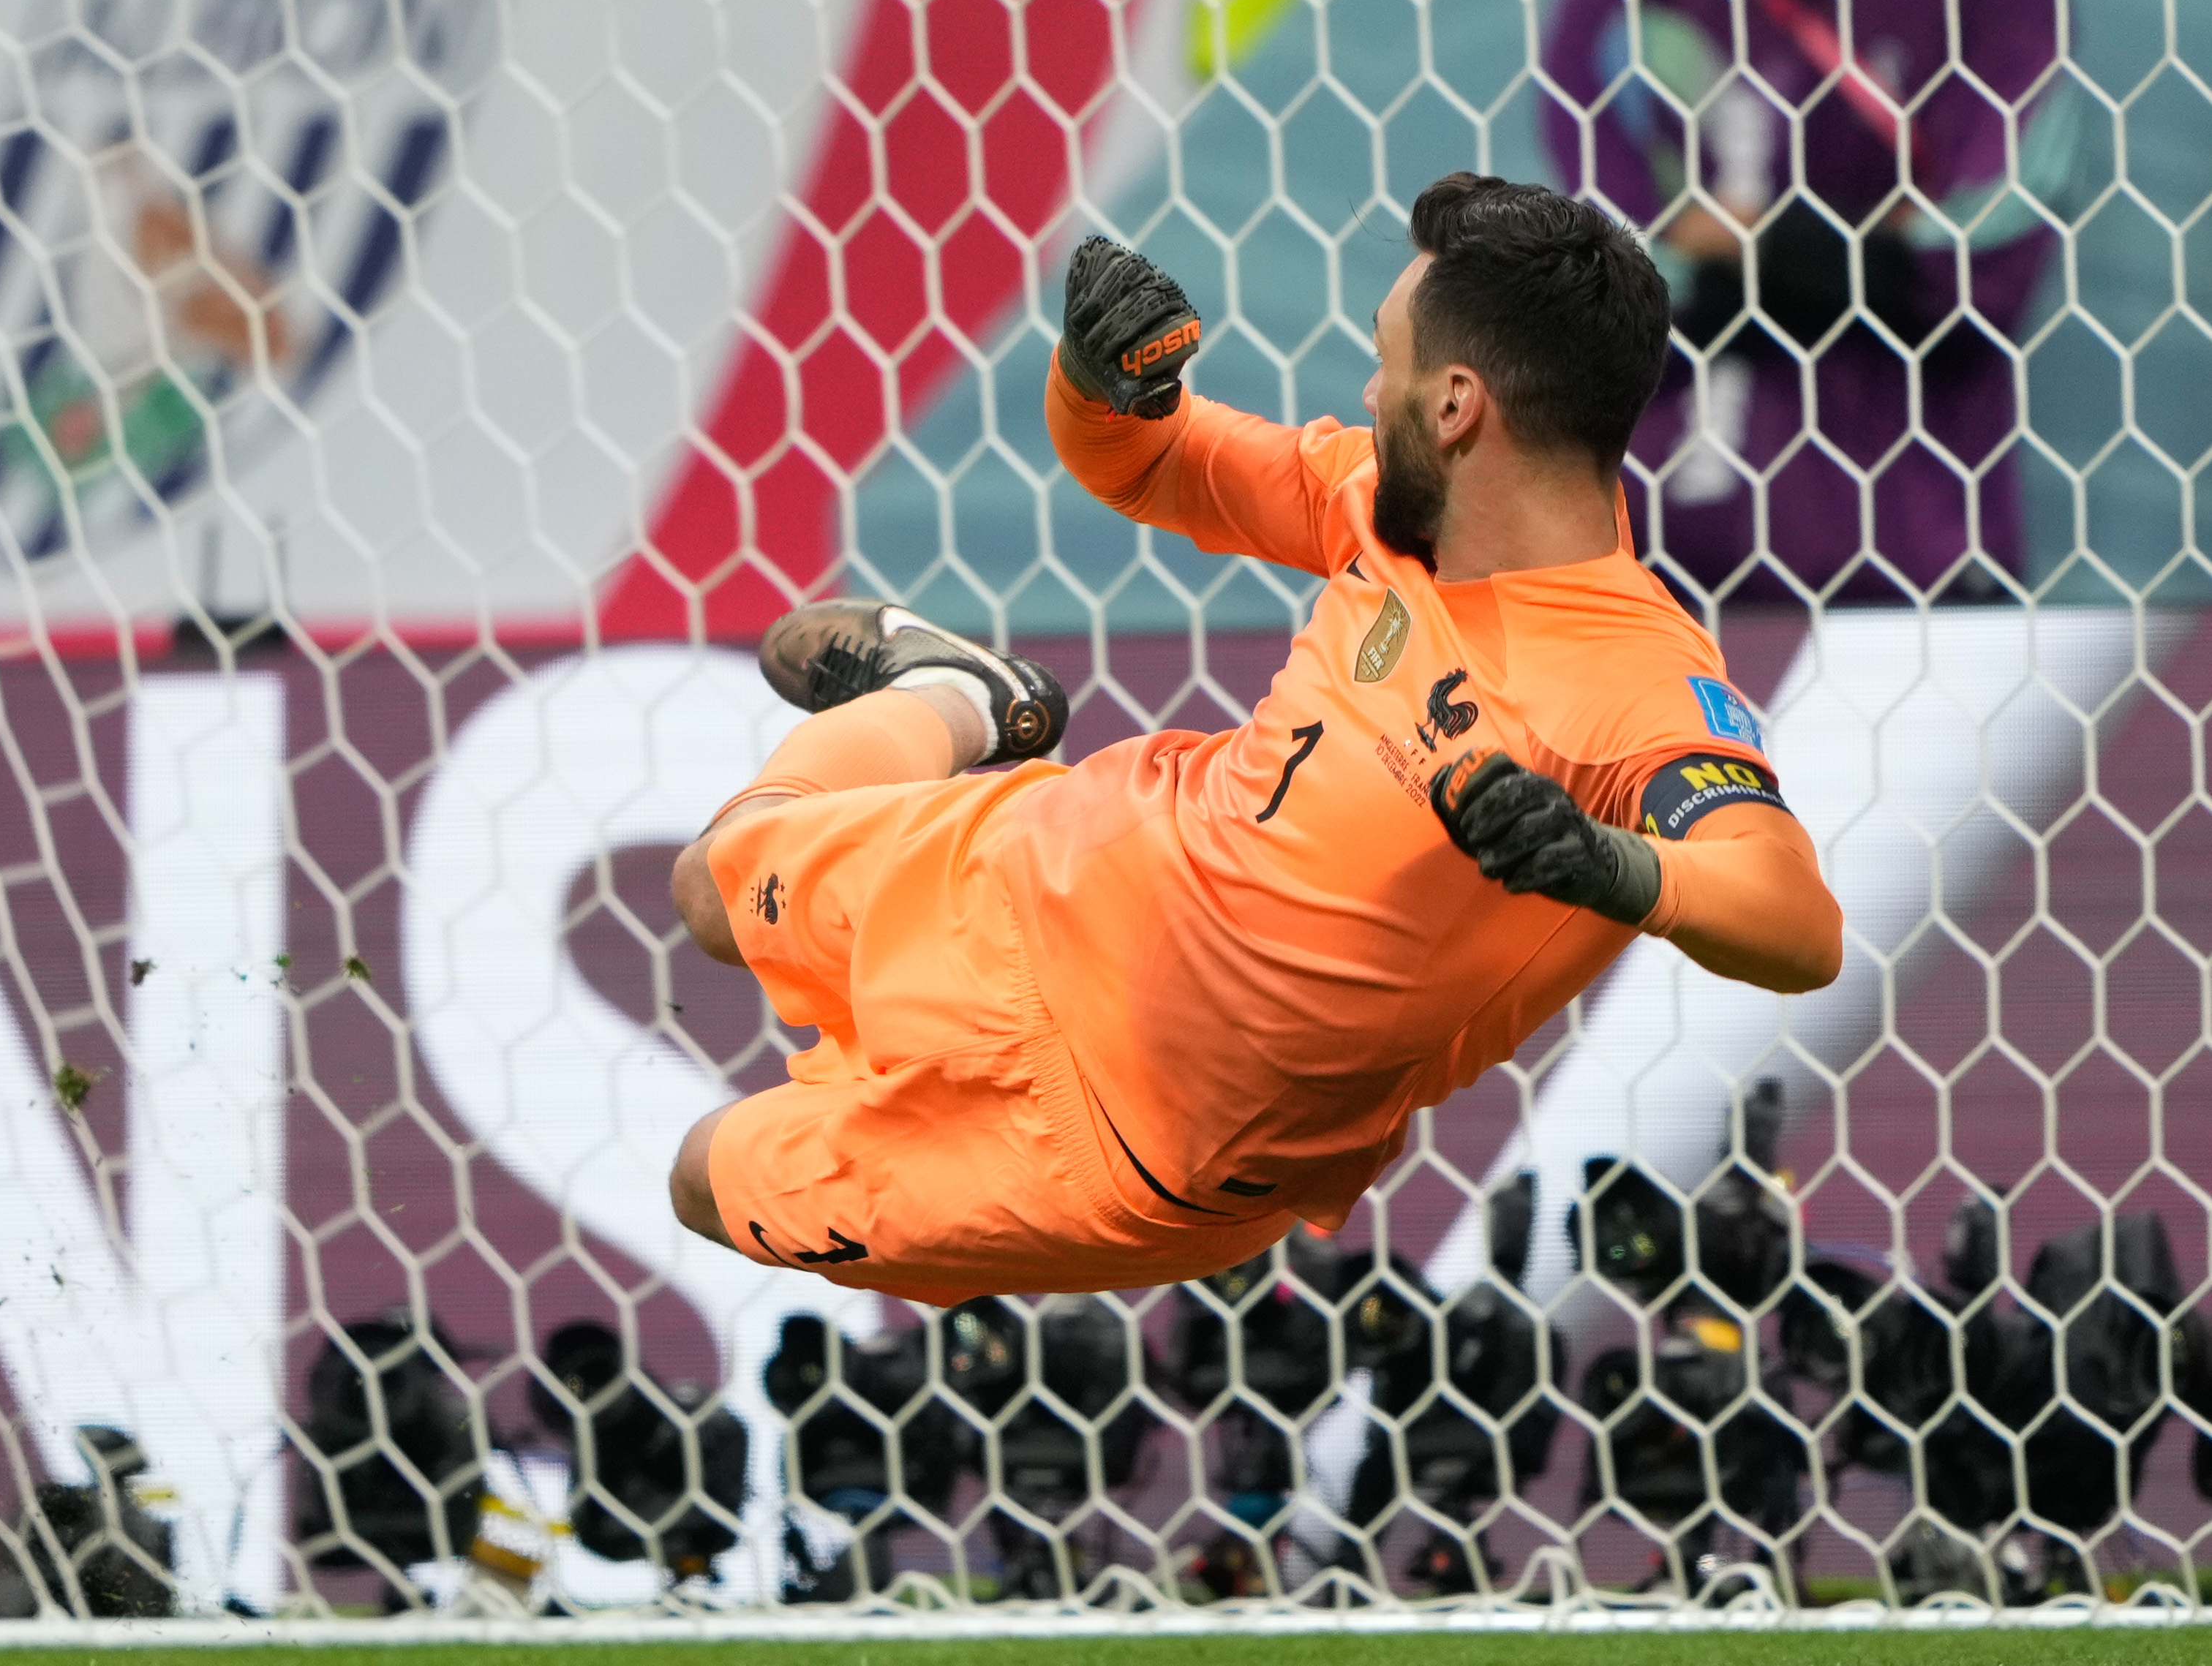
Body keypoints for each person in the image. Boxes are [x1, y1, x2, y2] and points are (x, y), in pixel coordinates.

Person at [658, 176, 1845, 1306]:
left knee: (708, 1173)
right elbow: (1154, 457)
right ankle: (953, 697)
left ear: (1457, 404)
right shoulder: (1383, 495)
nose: (1368, 398)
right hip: (1044, 870)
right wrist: (1101, 379)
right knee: (710, 885)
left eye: (1388, 367)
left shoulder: (1638, 678)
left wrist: (1609, 865)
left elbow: (1797, 922)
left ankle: (938, 698)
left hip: (1123, 1155)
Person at [1538, 0, 2068, 610]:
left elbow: (1983, 261)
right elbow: (1603, 298)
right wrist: (1871, 247)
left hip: (1923, 568)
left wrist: (1741, 242)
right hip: (1667, 581)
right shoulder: (1612, 13)